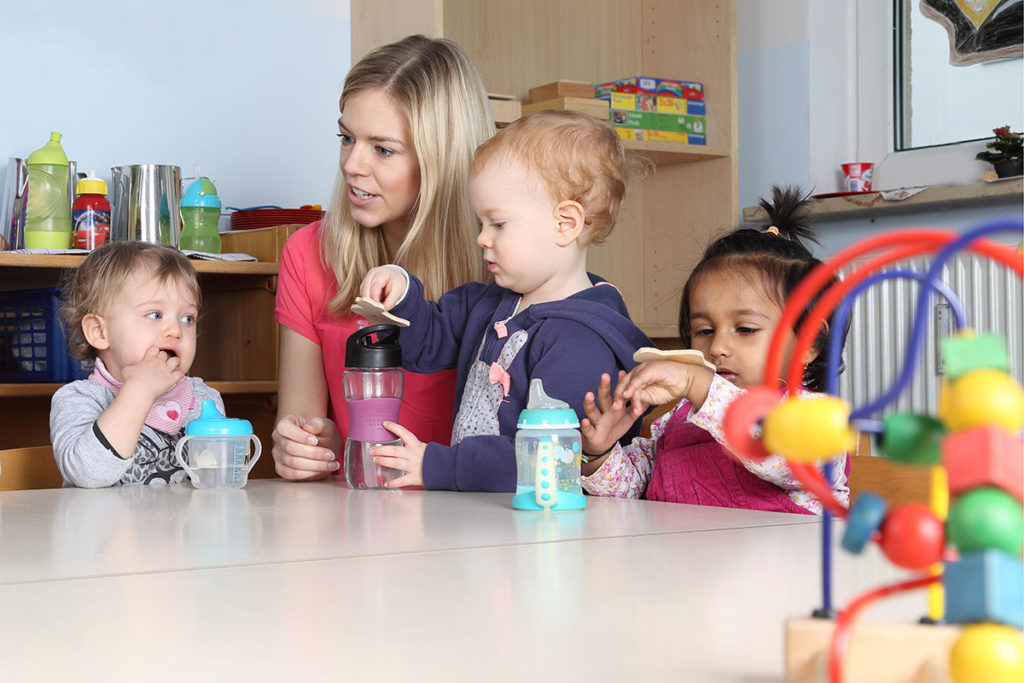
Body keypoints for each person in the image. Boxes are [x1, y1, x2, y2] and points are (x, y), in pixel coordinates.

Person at [359, 109, 653, 491]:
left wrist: (441, 465)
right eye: (481, 223)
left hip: (546, 529)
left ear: (565, 224)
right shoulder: (487, 302)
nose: (482, 237)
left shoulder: (580, 340)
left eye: (498, 224)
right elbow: (427, 344)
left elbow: (547, 457)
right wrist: (401, 293)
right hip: (485, 515)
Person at [271, 35, 495, 481]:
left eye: (383, 149)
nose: (352, 164)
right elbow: (303, 429)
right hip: (358, 522)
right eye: (346, 137)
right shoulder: (307, 254)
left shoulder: (503, 262)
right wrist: (302, 449)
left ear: (441, 160)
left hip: (475, 526)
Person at [579, 186, 850, 514]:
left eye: (745, 330)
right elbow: (633, 491)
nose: (717, 347)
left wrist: (700, 386)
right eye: (704, 331)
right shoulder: (679, 421)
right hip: (678, 561)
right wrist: (600, 453)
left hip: (783, 565)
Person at [51, 241, 224, 487]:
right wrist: (139, 390)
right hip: (103, 526)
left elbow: (218, 483)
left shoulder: (203, 399)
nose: (176, 330)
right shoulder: (79, 399)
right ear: (99, 332)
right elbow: (87, 474)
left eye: (187, 318)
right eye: (155, 315)